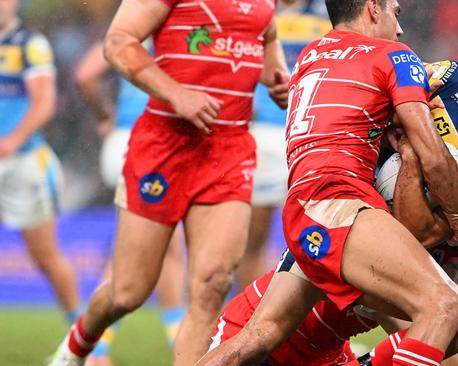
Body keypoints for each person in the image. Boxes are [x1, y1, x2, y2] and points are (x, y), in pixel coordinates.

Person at [197, 60, 458, 365]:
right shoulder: (456, 82)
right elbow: (378, 93)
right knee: (260, 336)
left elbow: (448, 274)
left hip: (388, 278)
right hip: (344, 229)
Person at [203, 0, 458, 365]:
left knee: (259, 336)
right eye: (395, 13)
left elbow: (343, 115)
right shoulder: (396, 57)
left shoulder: (311, 55)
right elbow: (431, 152)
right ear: (373, 8)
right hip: (341, 203)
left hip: (305, 209)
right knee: (451, 310)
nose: (399, 28)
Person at [49, 0, 290, 365]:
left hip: (229, 151)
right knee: (128, 292)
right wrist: (176, 93)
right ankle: (75, 347)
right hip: (164, 147)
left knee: (213, 285)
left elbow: (266, 46)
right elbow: (118, 42)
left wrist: (279, 81)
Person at [74, 40, 186, 366]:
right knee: (136, 248)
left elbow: (85, 75)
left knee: (167, 245)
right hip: (151, 142)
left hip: (125, 140)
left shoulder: (132, 26)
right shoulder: (182, 25)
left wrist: (105, 117)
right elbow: (84, 74)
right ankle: (96, 347)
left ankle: (177, 341)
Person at [238, 0, 331, 290]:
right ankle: (249, 316)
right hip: (263, 133)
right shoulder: (255, 10)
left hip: (312, 133)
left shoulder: (329, 12)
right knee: (255, 235)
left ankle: (321, 328)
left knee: (321, 235)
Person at [0, 0, 81, 325]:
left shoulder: (28, 44)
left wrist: (11, 141)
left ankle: (86, 345)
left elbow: (44, 102)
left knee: (44, 257)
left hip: (25, 163)